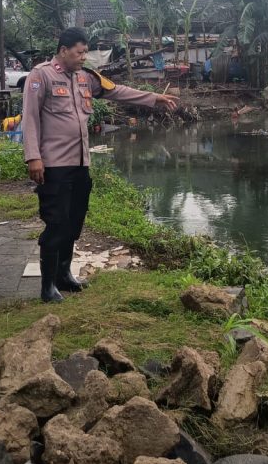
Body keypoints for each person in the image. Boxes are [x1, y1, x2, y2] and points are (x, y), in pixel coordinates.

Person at [23, 27, 178, 303]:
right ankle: (47, 287)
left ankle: (64, 275)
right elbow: (31, 118)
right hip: (54, 165)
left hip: (81, 163)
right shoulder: (41, 75)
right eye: (79, 52)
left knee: (73, 221)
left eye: (85, 52)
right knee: (56, 223)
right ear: (63, 50)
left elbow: (117, 91)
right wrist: (33, 157)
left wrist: (154, 99)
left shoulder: (85, 78)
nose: (84, 57)